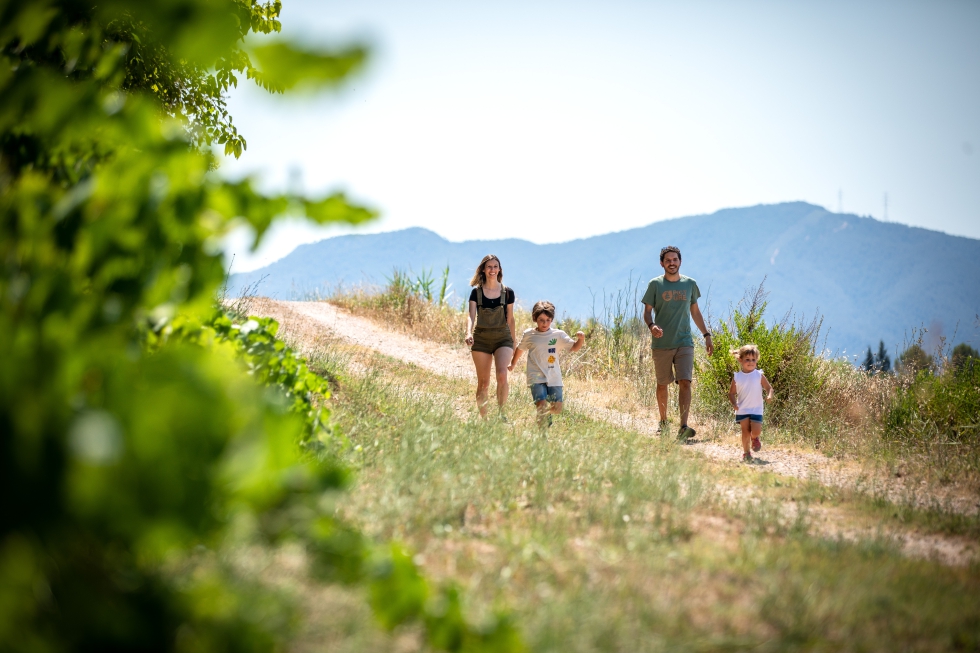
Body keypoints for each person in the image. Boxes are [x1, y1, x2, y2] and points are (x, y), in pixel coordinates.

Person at [641, 245, 714, 440]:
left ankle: (683, 426)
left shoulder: (690, 284)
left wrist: (706, 335)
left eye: (675, 260)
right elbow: (647, 311)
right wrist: (652, 326)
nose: (671, 263)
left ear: (680, 261)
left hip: (685, 342)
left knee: (685, 382)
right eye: (668, 260)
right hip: (662, 342)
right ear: (662, 263)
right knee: (662, 384)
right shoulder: (655, 285)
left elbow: (695, 312)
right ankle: (663, 422)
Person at [508, 300, 585, 427]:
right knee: (541, 405)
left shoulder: (558, 335)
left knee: (557, 409)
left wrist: (581, 340)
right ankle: (542, 437)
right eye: (541, 320)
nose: (545, 323)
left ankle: (544, 414)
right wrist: (513, 364)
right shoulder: (529, 334)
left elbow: (574, 347)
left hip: (554, 376)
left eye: (548, 320)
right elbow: (520, 349)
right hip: (536, 377)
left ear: (552, 319)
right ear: (535, 318)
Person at [464, 254, 516, 419]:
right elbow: (471, 316)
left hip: (503, 338)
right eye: (489, 267)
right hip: (482, 339)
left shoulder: (508, 293)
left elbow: (510, 319)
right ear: (483, 270)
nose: (492, 270)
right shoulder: (476, 293)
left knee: (502, 374)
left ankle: (502, 414)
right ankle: (485, 420)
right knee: (484, 383)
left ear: (499, 269)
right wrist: (468, 332)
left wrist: (513, 343)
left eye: (495, 266)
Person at [728, 344, 774, 462]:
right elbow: (731, 393)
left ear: (756, 360)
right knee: (745, 432)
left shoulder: (758, 375)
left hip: (756, 408)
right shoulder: (737, 377)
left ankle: (755, 438)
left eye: (753, 360)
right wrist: (734, 404)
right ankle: (746, 453)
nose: (751, 362)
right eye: (747, 360)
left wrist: (769, 396)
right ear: (740, 360)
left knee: (756, 431)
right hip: (742, 408)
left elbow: (769, 388)